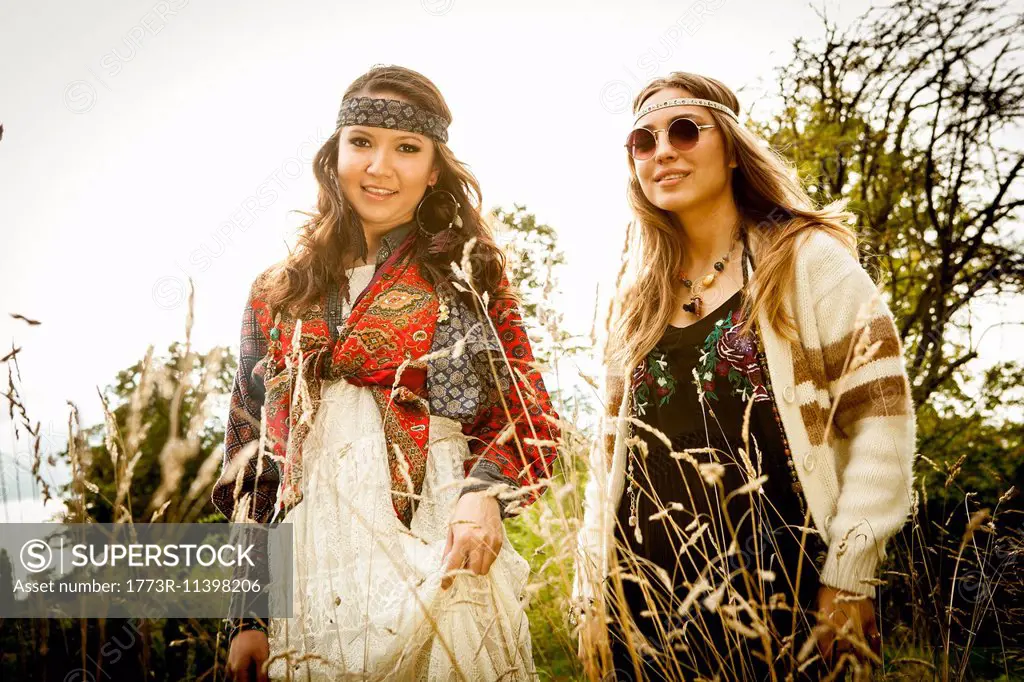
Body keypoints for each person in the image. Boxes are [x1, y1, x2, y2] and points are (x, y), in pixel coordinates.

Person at [211, 64, 560, 681]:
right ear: (334, 154)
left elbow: (524, 411)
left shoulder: (464, 273)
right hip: (314, 558)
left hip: (438, 535)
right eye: (362, 142)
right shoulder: (276, 293)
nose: (380, 166)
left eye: (406, 148)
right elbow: (252, 458)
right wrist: (248, 614)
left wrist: (483, 498)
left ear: (433, 168)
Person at [574, 71, 916, 680]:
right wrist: (591, 588)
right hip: (644, 599)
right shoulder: (636, 296)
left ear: (731, 148)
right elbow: (610, 460)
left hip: (782, 588)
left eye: (684, 130)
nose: (664, 151)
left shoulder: (808, 260)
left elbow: (881, 417)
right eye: (643, 142)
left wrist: (851, 572)